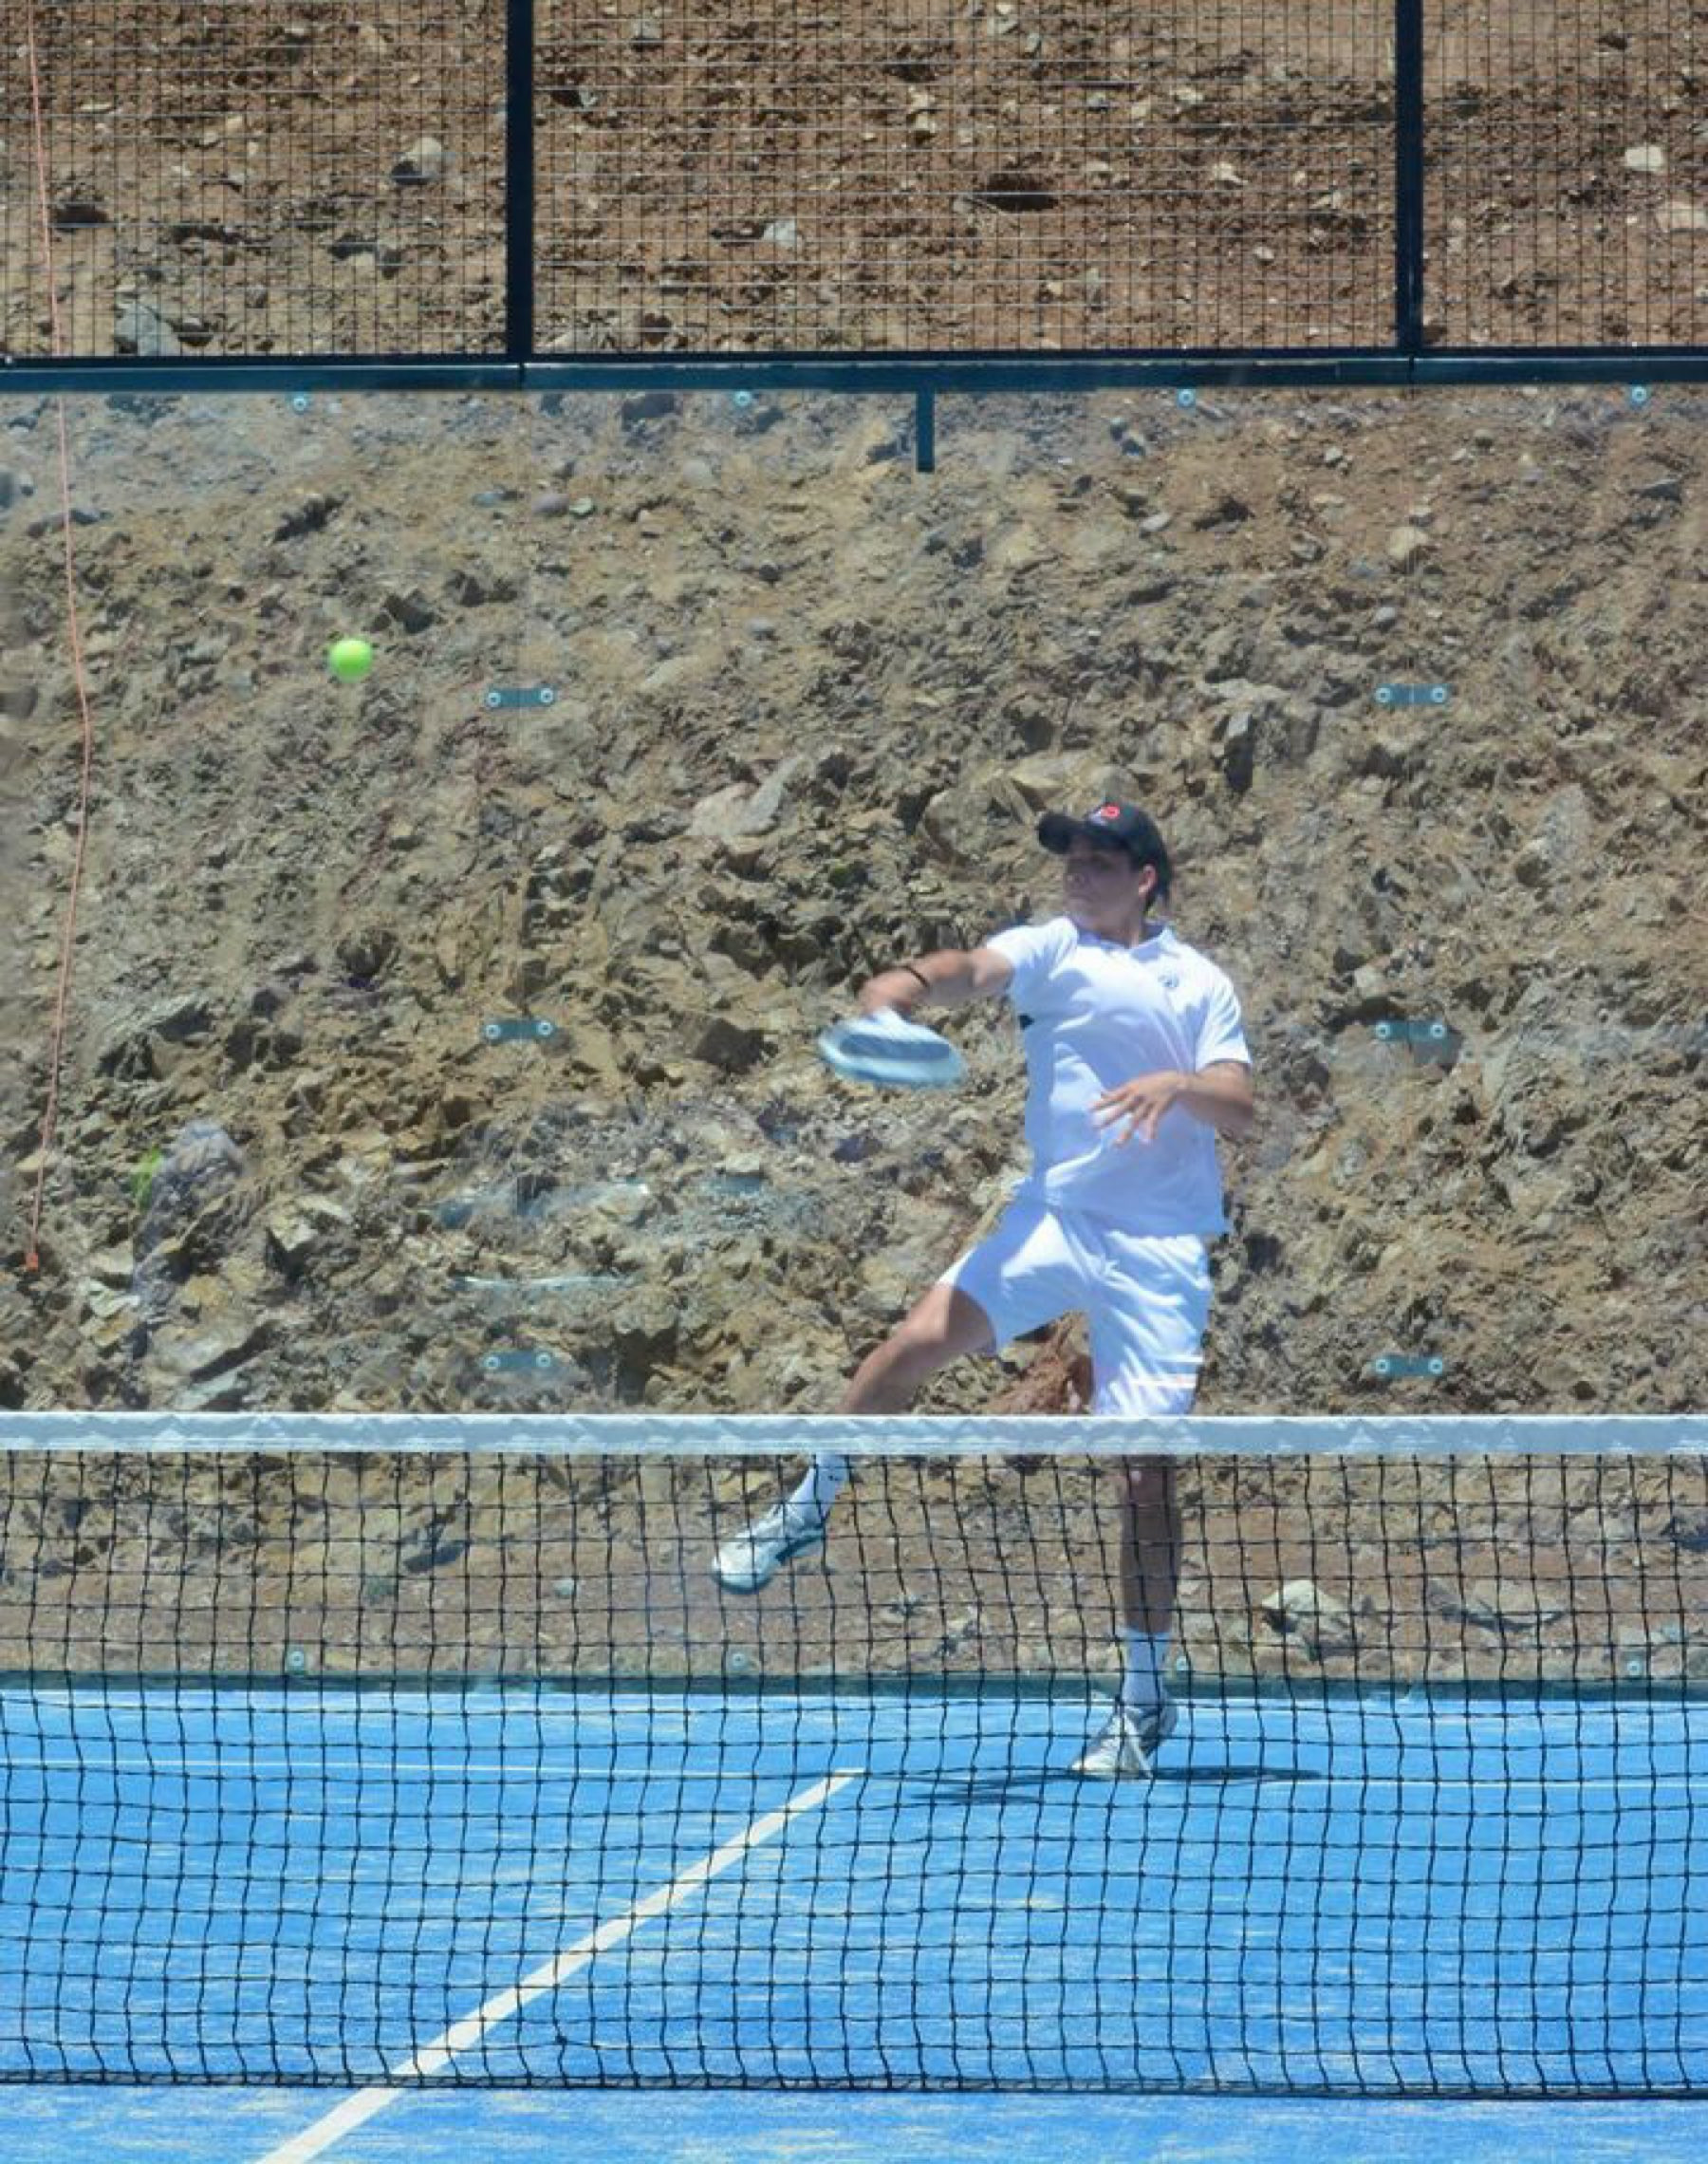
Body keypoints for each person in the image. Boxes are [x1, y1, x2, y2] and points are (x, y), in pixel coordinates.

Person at [713, 801, 1254, 1778]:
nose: (1076, 874)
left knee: (1145, 1474)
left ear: (1144, 880)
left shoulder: (1199, 980)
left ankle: (1142, 1697)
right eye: (1070, 860)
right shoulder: (1050, 948)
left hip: (1160, 1249)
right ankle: (808, 1507)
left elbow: (1242, 1105)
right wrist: (900, 990)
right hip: (1055, 1218)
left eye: (1098, 862)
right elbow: (969, 969)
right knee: (912, 1344)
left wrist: (1176, 1086)